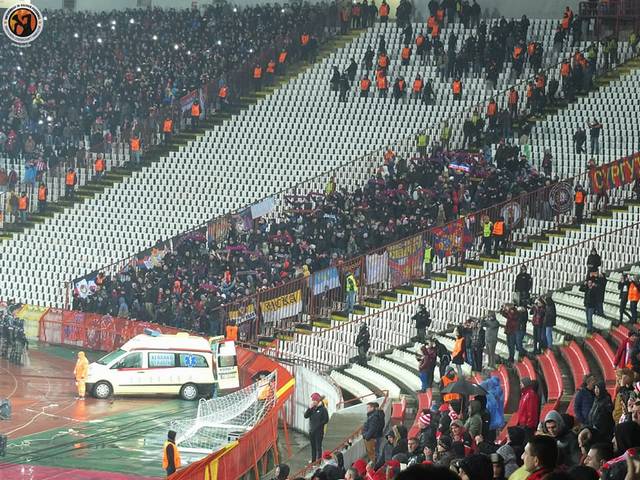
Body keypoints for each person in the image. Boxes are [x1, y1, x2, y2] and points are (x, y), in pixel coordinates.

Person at [304, 392, 329, 463]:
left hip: (319, 432)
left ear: (317, 401)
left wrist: (318, 425)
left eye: (314, 400)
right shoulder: (312, 409)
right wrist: (309, 408)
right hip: (312, 431)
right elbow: (305, 416)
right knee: (313, 447)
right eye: (312, 400)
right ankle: (313, 460)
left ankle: (318, 461)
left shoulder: (323, 409)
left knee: (318, 447)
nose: (312, 402)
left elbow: (326, 419)